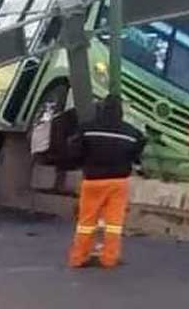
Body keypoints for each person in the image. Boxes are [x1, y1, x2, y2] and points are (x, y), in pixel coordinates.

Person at [67, 95, 145, 269]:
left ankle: (78, 257)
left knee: (86, 222)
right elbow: (138, 149)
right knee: (114, 223)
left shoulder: (87, 129)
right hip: (118, 182)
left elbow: (75, 151)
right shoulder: (131, 133)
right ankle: (109, 258)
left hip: (93, 181)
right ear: (121, 112)